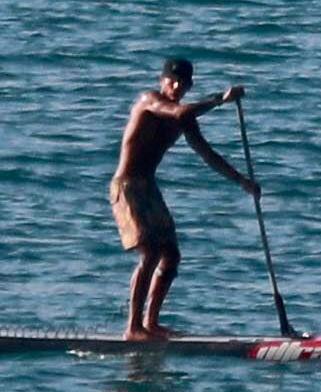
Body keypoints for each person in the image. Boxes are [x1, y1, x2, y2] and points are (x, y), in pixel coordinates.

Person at [109, 57, 256, 339]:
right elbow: (176, 112)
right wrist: (219, 101)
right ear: (161, 80)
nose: (175, 86)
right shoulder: (149, 101)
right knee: (150, 252)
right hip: (127, 186)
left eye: (182, 83)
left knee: (171, 256)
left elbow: (208, 155)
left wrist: (242, 181)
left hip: (148, 186)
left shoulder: (184, 118)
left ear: (189, 86)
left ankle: (151, 324)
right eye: (171, 80)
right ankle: (133, 327)